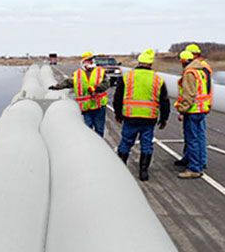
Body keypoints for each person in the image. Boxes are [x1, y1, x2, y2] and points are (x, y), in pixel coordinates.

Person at [113, 48, 170, 181]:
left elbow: (118, 97)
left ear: (138, 62)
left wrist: (118, 113)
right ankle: (143, 171)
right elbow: (164, 101)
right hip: (149, 119)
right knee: (146, 144)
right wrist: (164, 119)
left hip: (130, 117)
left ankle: (121, 170)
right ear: (150, 64)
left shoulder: (127, 77)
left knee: (126, 142)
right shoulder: (157, 79)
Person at [49, 51, 110, 137]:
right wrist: (57, 87)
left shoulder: (100, 72)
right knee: (87, 129)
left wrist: (95, 88)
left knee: (99, 129)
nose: (90, 62)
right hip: (86, 108)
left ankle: (98, 146)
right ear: (83, 61)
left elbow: (106, 84)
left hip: (98, 106)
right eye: (88, 60)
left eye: (91, 60)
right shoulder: (78, 74)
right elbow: (68, 83)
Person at [174, 49, 212, 179]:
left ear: (184, 61)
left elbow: (189, 94)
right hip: (201, 109)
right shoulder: (200, 71)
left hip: (193, 110)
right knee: (198, 137)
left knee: (192, 140)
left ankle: (194, 168)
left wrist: (182, 109)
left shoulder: (190, 73)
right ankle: (199, 162)